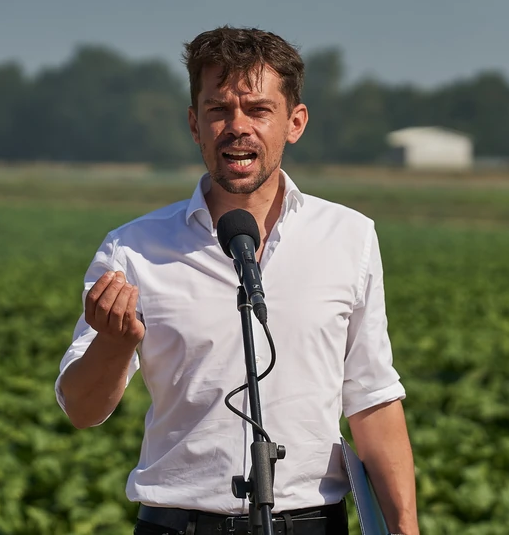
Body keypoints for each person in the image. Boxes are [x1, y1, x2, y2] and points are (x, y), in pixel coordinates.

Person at [55, 26, 419, 535]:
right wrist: (114, 345)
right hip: (179, 526)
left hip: (312, 524)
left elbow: (372, 400)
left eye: (258, 109)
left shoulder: (348, 237)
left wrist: (405, 528)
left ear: (295, 122)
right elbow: (82, 409)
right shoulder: (133, 250)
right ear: (194, 123)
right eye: (218, 109)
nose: (237, 127)